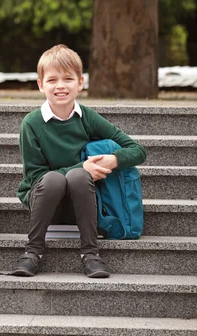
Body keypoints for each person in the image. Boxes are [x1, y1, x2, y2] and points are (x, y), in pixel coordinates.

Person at [12, 44, 147, 278]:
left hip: (83, 202)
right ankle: (32, 251)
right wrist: (81, 166)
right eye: (52, 80)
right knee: (56, 178)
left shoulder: (87, 118)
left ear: (80, 83)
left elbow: (138, 150)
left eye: (68, 79)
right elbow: (35, 178)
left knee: (77, 176)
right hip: (45, 202)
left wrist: (112, 160)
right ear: (41, 84)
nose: (61, 86)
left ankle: (90, 254)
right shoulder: (32, 124)